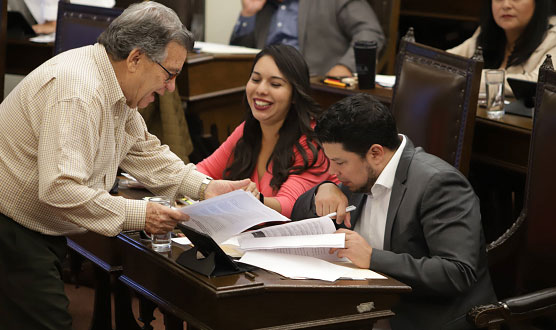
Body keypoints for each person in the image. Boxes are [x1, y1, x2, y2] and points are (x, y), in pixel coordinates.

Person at [0, 3, 249, 329]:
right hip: (2, 229)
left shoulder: (111, 84)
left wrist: (207, 188)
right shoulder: (80, 90)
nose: (170, 88)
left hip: (22, 226)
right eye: (170, 74)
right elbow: (60, 188)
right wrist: (142, 216)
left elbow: (144, 151)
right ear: (135, 58)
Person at [291, 93, 497, 330]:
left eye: (339, 162)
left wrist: (372, 258)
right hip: (363, 310)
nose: (333, 171)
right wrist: (322, 190)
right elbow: (297, 217)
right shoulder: (356, 176)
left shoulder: (439, 184)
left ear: (375, 153)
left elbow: (457, 273)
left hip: (427, 319)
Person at [196, 44, 336, 218]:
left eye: (275, 84)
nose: (261, 90)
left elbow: (289, 205)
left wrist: (252, 198)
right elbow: (202, 171)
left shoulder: (311, 140)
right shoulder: (248, 129)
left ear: (295, 94)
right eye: (255, 80)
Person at [230, 0, 385, 77]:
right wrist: (248, 14)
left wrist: (345, 67)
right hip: (267, 88)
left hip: (316, 88)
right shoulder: (263, 6)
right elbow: (241, 55)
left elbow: (370, 33)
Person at [448, 0, 556, 95]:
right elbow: (441, 64)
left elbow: (542, 85)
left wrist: (469, 78)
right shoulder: (489, 32)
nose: (506, 5)